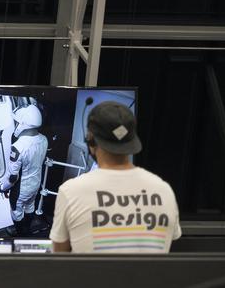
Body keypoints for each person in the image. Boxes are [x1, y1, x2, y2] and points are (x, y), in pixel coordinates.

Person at [51, 102, 180, 254]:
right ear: (131, 141)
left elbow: (59, 257)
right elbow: (170, 244)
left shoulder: (71, 191)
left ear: (90, 140)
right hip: (150, 278)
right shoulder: (164, 190)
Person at [2, 104, 49, 235]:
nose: (16, 124)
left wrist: (3, 187)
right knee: (30, 206)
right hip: (35, 184)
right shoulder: (44, 140)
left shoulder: (18, 146)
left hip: (21, 189)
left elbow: (13, 178)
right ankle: (27, 230)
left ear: (24, 123)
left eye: (17, 122)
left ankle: (20, 234)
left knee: (16, 211)